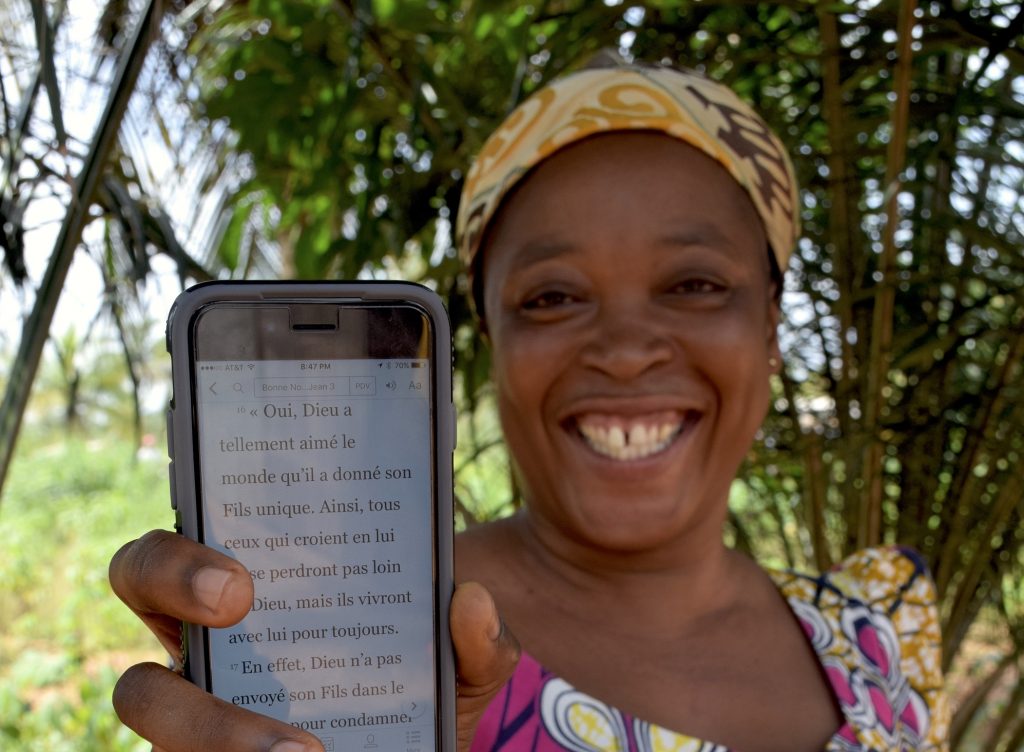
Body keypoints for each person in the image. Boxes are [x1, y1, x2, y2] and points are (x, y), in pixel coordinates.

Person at [109, 57, 949, 752]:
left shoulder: (879, 626)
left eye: (695, 284)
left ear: (769, 324)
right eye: (552, 298)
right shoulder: (374, 641)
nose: (625, 349)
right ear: (489, 339)